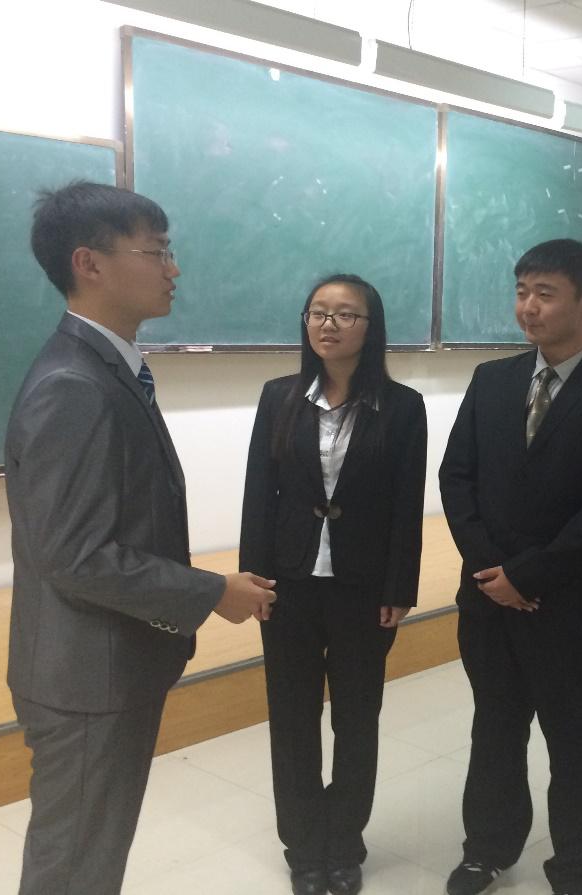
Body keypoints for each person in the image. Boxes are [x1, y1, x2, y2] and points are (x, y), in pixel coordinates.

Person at [6, 181, 275, 895]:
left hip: (105, 661)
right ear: (89, 263)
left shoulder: (109, 367)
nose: (173, 269)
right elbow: (75, 556)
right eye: (156, 252)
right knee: (75, 867)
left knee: (89, 856)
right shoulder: (74, 385)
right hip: (86, 675)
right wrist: (211, 591)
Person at [439, 238, 582, 895]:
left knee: (578, 739)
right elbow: (457, 477)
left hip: (570, 605)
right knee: (494, 730)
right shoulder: (492, 380)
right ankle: (487, 848)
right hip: (487, 599)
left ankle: (579, 866)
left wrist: (528, 576)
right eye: (522, 291)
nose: (528, 306)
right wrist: (491, 571)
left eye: (545, 293)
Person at [240, 274, 427, 895]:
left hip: (362, 587)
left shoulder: (402, 407)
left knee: (357, 719)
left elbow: (406, 504)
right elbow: (259, 494)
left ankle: (344, 842)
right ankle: (302, 845)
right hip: (288, 583)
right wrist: (253, 576)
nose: (328, 324)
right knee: (292, 719)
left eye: (345, 314)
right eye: (318, 312)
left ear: (370, 328)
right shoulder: (279, 396)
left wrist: (399, 587)